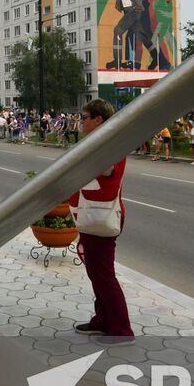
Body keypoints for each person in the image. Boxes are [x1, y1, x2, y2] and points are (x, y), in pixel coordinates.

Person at [70, 99, 132, 340]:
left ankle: (121, 328)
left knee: (104, 275)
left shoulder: (111, 144)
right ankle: (103, 319)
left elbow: (106, 170)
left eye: (85, 117)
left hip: (100, 217)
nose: (81, 121)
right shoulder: (101, 142)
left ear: (98, 120)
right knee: (97, 274)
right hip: (91, 216)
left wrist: (86, 154)